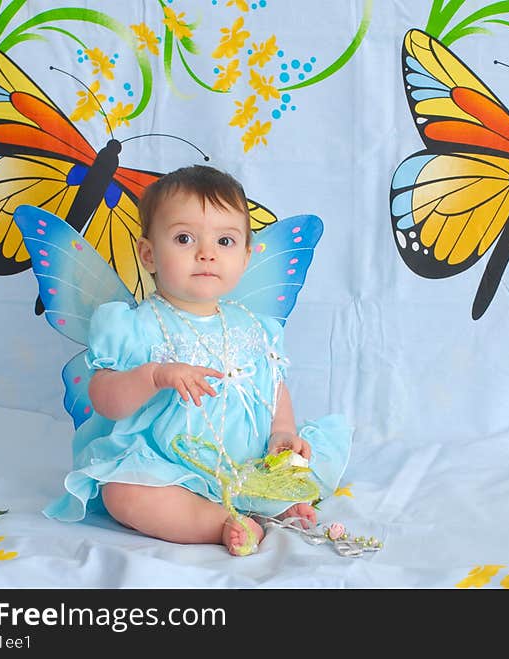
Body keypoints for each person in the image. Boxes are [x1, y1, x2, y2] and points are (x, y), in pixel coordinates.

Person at [43, 165, 351, 555]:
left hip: (247, 462)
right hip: (166, 466)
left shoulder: (255, 326)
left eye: (224, 241)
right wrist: (153, 376)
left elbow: (272, 385)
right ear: (149, 254)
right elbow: (103, 398)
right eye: (185, 238)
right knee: (123, 493)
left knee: (292, 464)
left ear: (245, 256)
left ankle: (272, 498)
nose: (206, 253)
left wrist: (283, 433)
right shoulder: (134, 326)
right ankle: (224, 522)